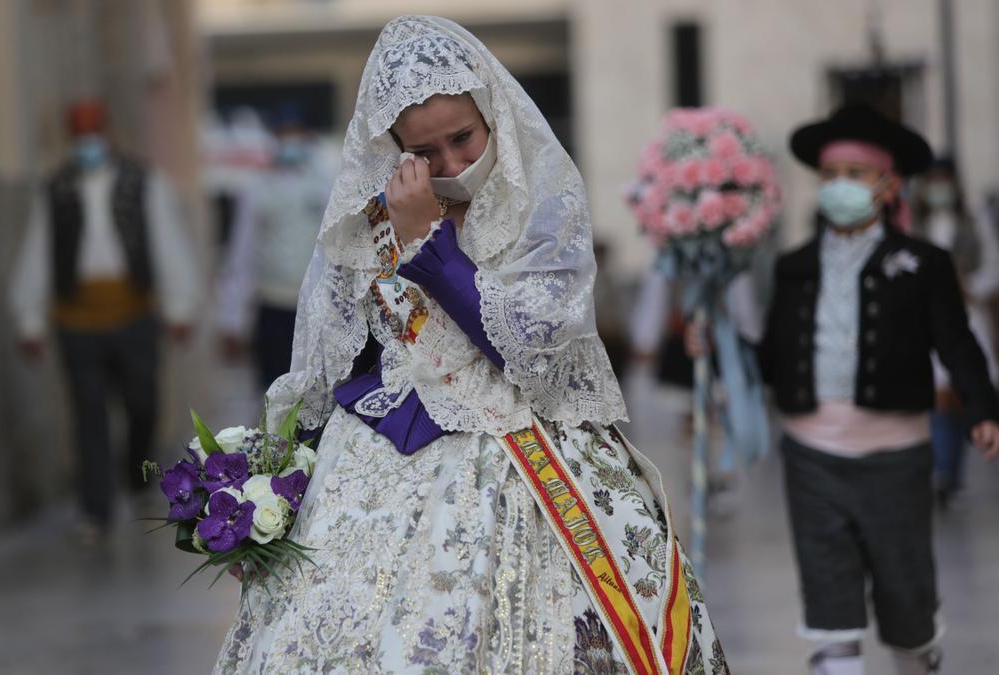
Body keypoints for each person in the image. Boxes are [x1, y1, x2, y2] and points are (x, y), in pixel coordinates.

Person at [215, 16, 726, 673]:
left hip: (528, 443)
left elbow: (530, 347)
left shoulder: (538, 203)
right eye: (427, 153)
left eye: (464, 138)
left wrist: (430, 246)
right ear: (395, 148)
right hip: (379, 455)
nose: (453, 165)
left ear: (492, 111)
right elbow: (334, 353)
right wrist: (276, 484)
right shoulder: (371, 218)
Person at [756, 104, 999, 674]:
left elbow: (957, 343)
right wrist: (713, 344)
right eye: (830, 173)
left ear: (888, 185)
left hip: (896, 459)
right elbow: (770, 356)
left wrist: (983, 408)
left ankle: (917, 654)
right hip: (811, 458)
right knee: (830, 602)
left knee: (905, 598)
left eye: (855, 174)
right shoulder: (795, 266)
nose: (839, 185)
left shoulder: (922, 263)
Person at [9, 99, 198, 537]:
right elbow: (39, 252)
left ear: (107, 131)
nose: (86, 140)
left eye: (92, 129)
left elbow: (166, 239)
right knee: (87, 411)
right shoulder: (56, 188)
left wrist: (179, 306)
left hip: (133, 312)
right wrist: (29, 319)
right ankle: (95, 508)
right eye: (78, 131)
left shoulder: (142, 181)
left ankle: (136, 473)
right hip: (77, 318)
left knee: (142, 401)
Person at [216, 104, 335, 391]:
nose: (289, 141)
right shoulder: (255, 188)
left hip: (316, 306)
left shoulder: (325, 184)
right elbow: (240, 254)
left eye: (295, 133)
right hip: (271, 305)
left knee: (317, 389)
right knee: (274, 388)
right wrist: (231, 318)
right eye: (283, 134)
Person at [909, 157, 999, 507]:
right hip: (923, 320)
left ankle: (950, 471)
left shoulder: (972, 222)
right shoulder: (915, 224)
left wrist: (968, 286)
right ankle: (940, 470)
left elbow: (991, 268)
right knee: (935, 397)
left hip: (966, 314)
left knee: (959, 395)